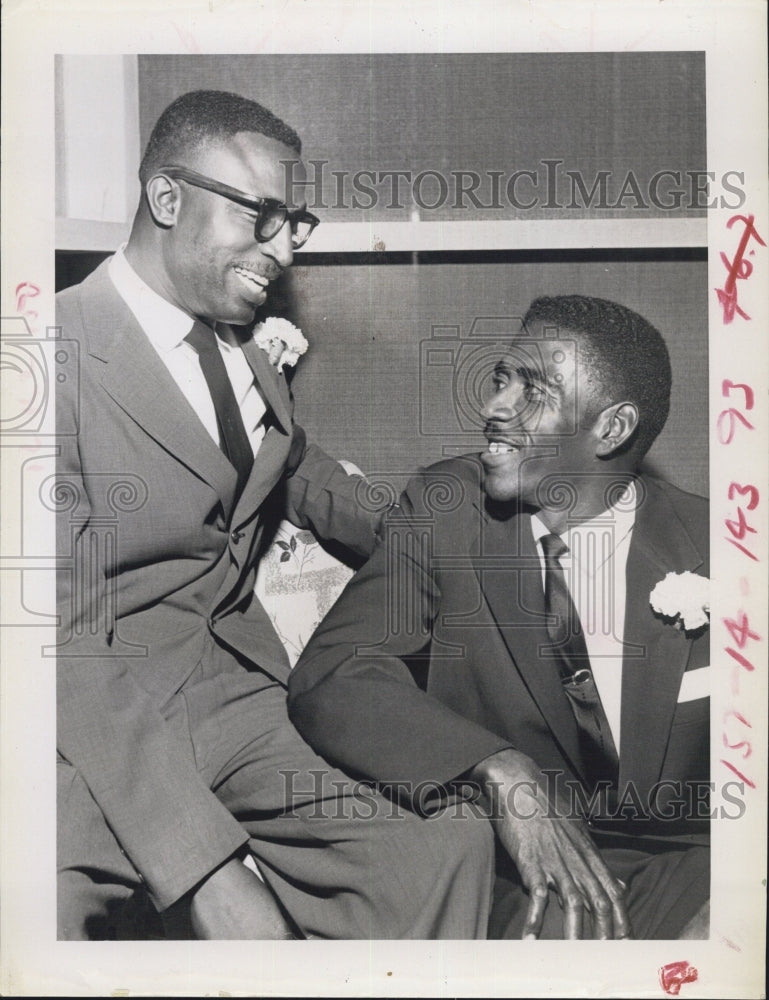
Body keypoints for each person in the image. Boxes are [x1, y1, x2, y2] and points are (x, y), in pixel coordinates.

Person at [55, 89, 496, 941]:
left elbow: (287, 463)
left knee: (442, 850)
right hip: (95, 721)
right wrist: (208, 871)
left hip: (237, 701)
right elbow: (65, 641)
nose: (284, 249)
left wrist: (436, 541)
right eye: (262, 215)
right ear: (167, 198)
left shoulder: (241, 345)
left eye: (295, 222)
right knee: (46, 910)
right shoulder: (44, 358)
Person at [289, 294, 710, 940]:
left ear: (610, 429)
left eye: (533, 390)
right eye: (500, 379)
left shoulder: (718, 543)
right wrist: (497, 769)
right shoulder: (444, 509)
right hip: (520, 886)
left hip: (691, 874)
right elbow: (336, 671)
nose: (492, 407)